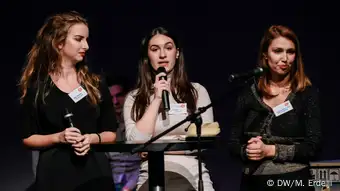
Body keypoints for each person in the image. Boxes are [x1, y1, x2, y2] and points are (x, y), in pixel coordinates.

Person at [18, 11, 117, 191]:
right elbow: (28, 138)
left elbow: (111, 132)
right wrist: (58, 137)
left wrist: (92, 138)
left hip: (95, 173)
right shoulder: (38, 87)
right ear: (59, 43)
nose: (85, 45)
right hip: (55, 176)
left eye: (87, 39)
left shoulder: (95, 84)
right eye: (79, 39)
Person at [227, 25, 322, 191]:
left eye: (290, 52)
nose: (285, 58)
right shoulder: (248, 93)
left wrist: (271, 150)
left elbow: (313, 146)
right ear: (265, 54)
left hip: (293, 181)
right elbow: (233, 143)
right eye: (278, 51)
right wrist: (247, 151)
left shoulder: (306, 94)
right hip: (253, 182)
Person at [123, 26, 215, 191]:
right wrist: (157, 98)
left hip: (192, 172)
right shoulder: (134, 98)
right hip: (152, 173)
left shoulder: (196, 92)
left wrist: (155, 146)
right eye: (155, 49)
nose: (163, 54)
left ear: (177, 53)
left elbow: (204, 141)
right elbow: (136, 142)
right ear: (147, 56)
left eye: (168, 47)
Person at [105, 75, 141, 191]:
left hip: (139, 183)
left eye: (119, 96)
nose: (115, 102)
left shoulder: (141, 124)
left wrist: (127, 188)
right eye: (111, 98)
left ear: (128, 95)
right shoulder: (104, 128)